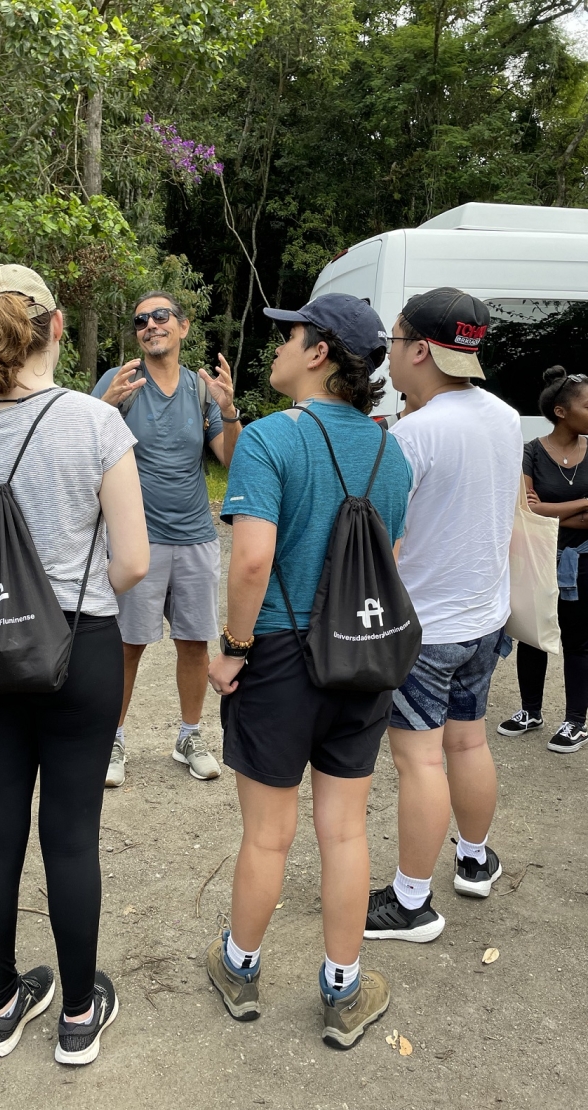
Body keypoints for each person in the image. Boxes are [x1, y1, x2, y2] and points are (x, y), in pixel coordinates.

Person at [0, 265, 149, 1064]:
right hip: (77, 647)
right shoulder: (92, 423)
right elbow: (135, 560)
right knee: (72, 834)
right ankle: (79, 1016)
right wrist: (71, 594)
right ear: (52, 327)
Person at [206, 294, 411, 1049]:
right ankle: (342, 990)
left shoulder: (268, 441)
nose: (280, 348)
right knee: (345, 830)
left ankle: (240, 969)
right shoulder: (395, 453)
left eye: (289, 335)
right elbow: (386, 564)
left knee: (268, 834)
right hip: (361, 652)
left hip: (284, 654)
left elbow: (254, 559)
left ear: (319, 352)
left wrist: (231, 648)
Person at [364, 288, 524, 946]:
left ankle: (410, 902)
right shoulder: (505, 416)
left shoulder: (415, 434)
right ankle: (475, 858)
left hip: (425, 628)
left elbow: (379, 536)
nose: (390, 356)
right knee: (468, 741)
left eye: (396, 343)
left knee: (422, 762)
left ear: (422, 350)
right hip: (486, 615)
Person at [91, 292, 241, 786]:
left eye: (161, 316)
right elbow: (81, 453)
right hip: (137, 540)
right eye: (141, 319)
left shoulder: (202, 392)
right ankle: (111, 740)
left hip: (196, 536)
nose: (150, 325)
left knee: (194, 643)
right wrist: (101, 408)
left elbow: (231, 462)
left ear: (183, 326)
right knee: (127, 645)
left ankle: (189, 735)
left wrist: (231, 411)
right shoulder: (119, 384)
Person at [498, 366, 588, 753]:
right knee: (533, 636)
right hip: (539, 558)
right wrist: (583, 504)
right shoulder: (530, 451)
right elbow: (524, 510)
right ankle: (530, 711)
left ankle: (576, 722)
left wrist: (549, 508)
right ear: (561, 411)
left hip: (581, 561)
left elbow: (539, 509)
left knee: (579, 641)